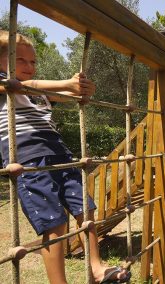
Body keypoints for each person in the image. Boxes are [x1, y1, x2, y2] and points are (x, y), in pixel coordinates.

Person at [0, 30, 131, 284]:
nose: (30, 67)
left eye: (33, 62)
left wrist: (81, 88)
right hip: (29, 160)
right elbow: (24, 86)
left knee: (86, 208)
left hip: (61, 155)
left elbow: (63, 95)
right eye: (21, 60)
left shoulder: (36, 94)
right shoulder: (6, 85)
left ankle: (96, 268)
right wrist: (64, 84)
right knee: (54, 223)